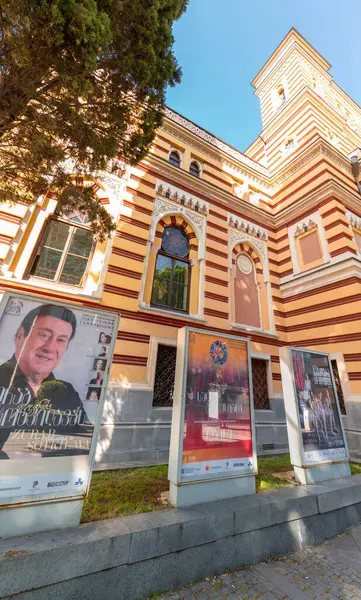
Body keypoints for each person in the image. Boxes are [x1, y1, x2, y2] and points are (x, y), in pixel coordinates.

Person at [0, 303, 89, 459]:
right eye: (44, 335)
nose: (50, 347)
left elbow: (82, 446)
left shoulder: (67, 393)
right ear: (21, 335)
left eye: (61, 340)